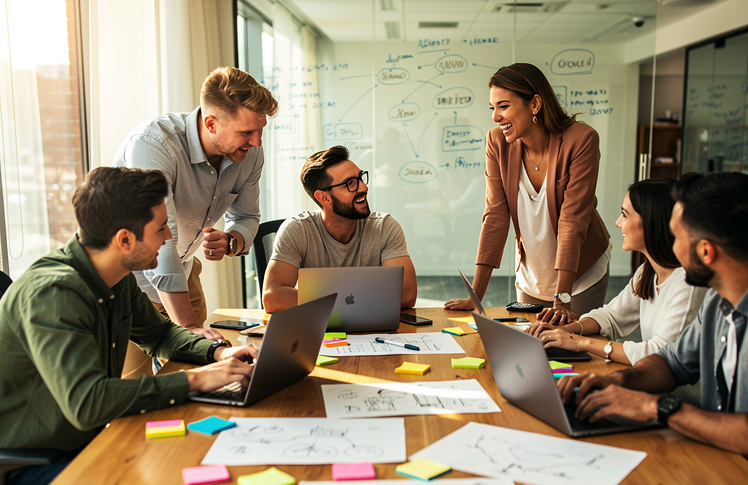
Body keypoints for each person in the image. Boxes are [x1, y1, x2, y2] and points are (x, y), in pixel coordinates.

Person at [0, 167, 257, 485]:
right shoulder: (54, 294)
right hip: (27, 469)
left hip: (83, 447)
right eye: (160, 229)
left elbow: (161, 334)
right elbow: (88, 403)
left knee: (193, 474)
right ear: (124, 239)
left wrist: (218, 355)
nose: (170, 237)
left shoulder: (114, 277)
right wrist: (196, 382)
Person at [559, 172, 748, 485]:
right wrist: (618, 383)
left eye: (676, 237)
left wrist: (654, 407)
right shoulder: (719, 295)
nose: (670, 247)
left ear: (705, 252)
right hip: (720, 463)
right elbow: (672, 363)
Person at [113, 66, 278, 338]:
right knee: (134, 378)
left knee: (196, 371)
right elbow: (161, 241)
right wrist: (189, 329)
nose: (257, 142)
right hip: (129, 283)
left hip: (184, 272)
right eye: (247, 132)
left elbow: (247, 217)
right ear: (212, 123)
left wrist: (232, 240)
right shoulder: (153, 146)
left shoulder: (249, 154)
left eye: (261, 130)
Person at [445, 63, 611, 323]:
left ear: (534, 104)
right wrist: (475, 295)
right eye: (493, 108)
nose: (495, 117)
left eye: (503, 106)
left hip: (579, 274)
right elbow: (495, 216)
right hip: (532, 271)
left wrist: (562, 299)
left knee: (569, 349)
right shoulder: (497, 142)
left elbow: (572, 221)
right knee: (528, 344)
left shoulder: (581, 140)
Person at [528, 178, 706, 366]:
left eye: (625, 215)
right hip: (648, 380)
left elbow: (659, 353)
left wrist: (582, 343)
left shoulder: (688, 283)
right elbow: (612, 317)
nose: (618, 223)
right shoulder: (647, 272)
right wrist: (568, 330)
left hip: (680, 393)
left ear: (652, 221)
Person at [263, 145, 417, 312]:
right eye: (350, 184)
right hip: (318, 332)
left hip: (373, 332)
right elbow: (273, 297)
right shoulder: (297, 230)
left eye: (360, 178)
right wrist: (349, 300)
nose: (364, 188)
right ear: (324, 198)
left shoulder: (384, 226)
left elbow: (406, 294)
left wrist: (331, 301)